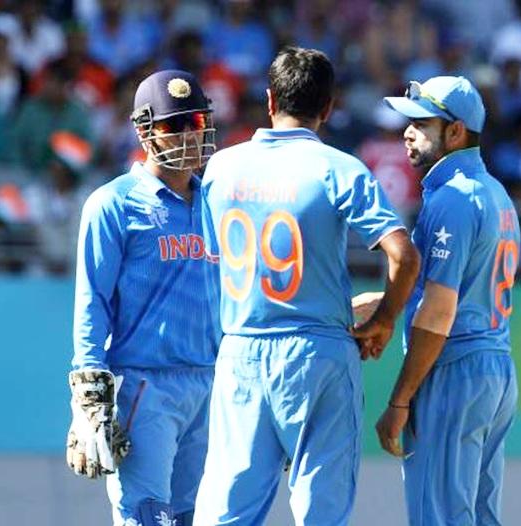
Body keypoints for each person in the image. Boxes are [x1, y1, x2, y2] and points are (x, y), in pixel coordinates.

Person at [193, 47, 419, 526]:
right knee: (321, 512)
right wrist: (382, 320)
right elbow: (403, 255)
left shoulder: (220, 168)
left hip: (241, 352)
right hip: (318, 353)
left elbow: (213, 262)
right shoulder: (338, 168)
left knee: (225, 514)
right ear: (329, 107)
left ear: (270, 99)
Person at [358, 76, 520, 525]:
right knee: (476, 515)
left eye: (420, 123)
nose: (406, 132)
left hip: (454, 371)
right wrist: (383, 305)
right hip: (494, 369)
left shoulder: (452, 198)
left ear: (455, 132)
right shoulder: (495, 192)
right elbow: (454, 290)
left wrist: (400, 399)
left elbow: (438, 312)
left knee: (441, 516)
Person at [66, 69, 221, 526]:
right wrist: (89, 385)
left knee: (199, 517)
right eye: (176, 125)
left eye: (197, 122)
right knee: (149, 517)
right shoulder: (113, 203)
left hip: (212, 381)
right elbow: (91, 299)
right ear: (144, 132)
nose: (190, 135)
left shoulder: (219, 202)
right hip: (144, 385)